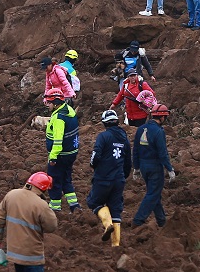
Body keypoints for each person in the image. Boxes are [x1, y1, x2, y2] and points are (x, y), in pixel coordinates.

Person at [0, 171, 59, 272]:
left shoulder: (11, 195)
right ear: (43, 189)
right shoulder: (41, 205)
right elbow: (52, 227)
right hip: (32, 251)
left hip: (14, 250)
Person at [87, 108, 131, 246]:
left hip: (103, 177)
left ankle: (107, 225)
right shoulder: (125, 139)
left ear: (104, 123)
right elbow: (128, 162)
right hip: (119, 179)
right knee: (116, 208)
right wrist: (123, 175)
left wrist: (94, 166)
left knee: (94, 202)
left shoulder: (103, 136)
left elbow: (96, 156)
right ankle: (116, 245)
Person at [130, 93, 175, 228]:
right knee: (152, 195)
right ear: (162, 117)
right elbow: (163, 153)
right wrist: (170, 169)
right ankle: (138, 220)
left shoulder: (141, 129)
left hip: (144, 167)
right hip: (155, 167)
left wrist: (136, 168)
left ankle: (162, 221)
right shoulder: (158, 132)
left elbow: (136, 150)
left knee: (154, 194)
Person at [43, 88, 80, 213]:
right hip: (71, 153)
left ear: (56, 103)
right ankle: (74, 206)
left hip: (60, 155)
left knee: (54, 182)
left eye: (49, 102)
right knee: (66, 179)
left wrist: (53, 157)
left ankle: (55, 209)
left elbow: (58, 141)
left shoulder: (59, 118)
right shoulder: (69, 110)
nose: (47, 104)